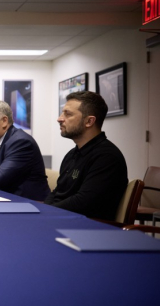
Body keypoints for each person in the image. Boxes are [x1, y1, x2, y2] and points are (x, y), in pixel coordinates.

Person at [44, 91, 127, 220]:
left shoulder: (107, 157)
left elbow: (83, 202)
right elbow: (57, 192)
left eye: (68, 114)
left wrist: (47, 212)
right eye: (62, 113)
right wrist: (43, 210)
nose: (59, 119)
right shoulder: (72, 154)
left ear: (89, 121)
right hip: (60, 218)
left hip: (85, 226)